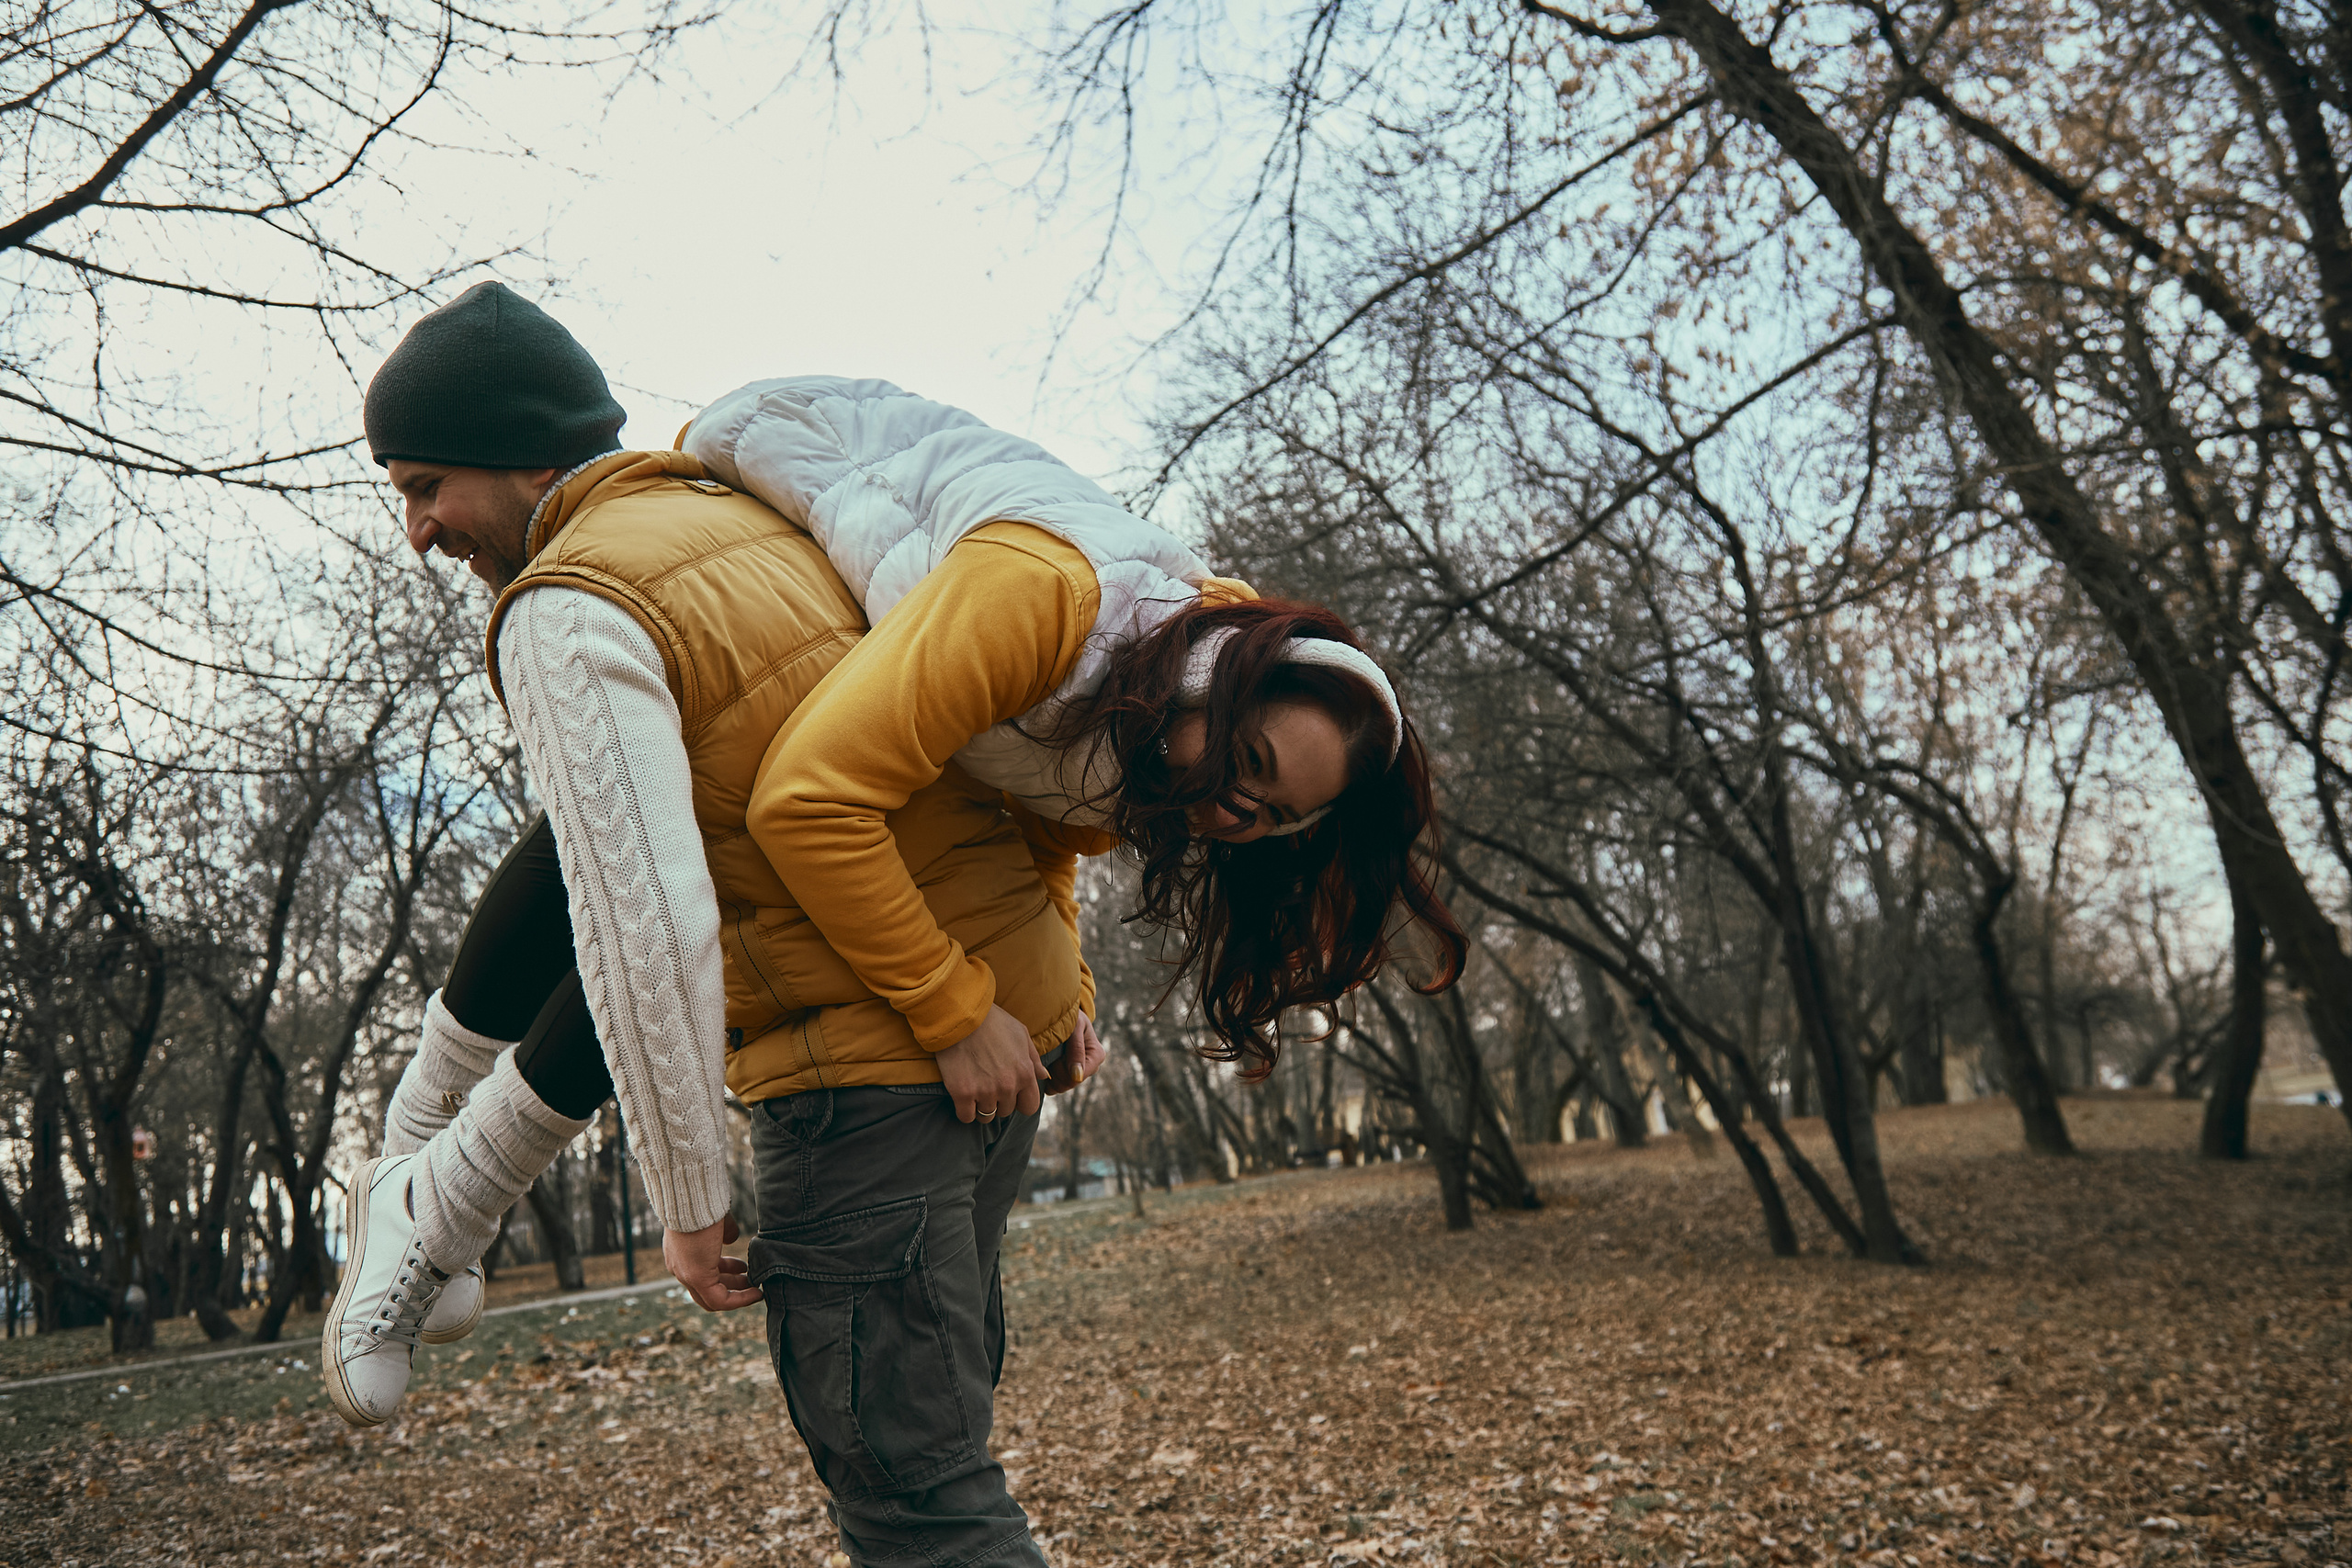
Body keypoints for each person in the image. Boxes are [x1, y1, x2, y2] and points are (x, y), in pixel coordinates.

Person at [324, 301, 1463, 1566]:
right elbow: (696, 860)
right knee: (931, 1463)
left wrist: (1041, 1001)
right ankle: (422, 1191)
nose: (417, 528)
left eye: (426, 488)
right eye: (1251, 764)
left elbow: (676, 914)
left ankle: (425, 1198)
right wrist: (947, 1020)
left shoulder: (582, 600)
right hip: (945, 1063)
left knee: (918, 1491)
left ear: (518, 449)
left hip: (881, 1078)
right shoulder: (925, 573)